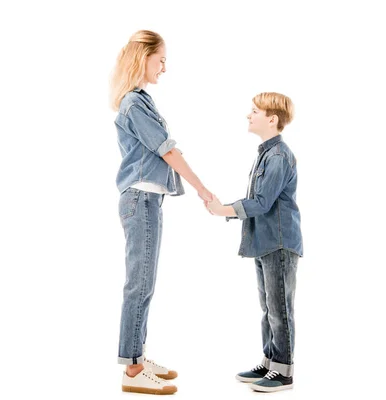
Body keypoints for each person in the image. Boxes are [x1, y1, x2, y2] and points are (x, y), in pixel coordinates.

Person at [110, 29, 213, 395]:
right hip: (141, 200)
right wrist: (202, 188)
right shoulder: (135, 104)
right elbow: (166, 150)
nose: (165, 67)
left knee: (144, 283)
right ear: (145, 58)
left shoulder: (141, 100)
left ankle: (136, 358)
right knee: (138, 284)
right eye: (162, 59)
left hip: (147, 200)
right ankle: (132, 371)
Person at [205, 92, 303, 393]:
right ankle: (270, 361)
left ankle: (283, 372)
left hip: (279, 243)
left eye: (255, 111)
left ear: (272, 119)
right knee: (268, 307)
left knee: (280, 308)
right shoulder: (266, 153)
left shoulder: (278, 156)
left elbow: (261, 202)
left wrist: (224, 210)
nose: (249, 116)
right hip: (266, 242)